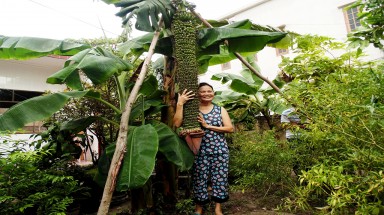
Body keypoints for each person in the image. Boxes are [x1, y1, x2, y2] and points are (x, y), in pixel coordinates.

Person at [173, 82, 234, 215]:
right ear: (198, 94)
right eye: (203, 91)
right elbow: (177, 123)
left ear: (213, 93)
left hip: (220, 151)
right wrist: (180, 103)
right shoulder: (192, 110)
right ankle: (199, 208)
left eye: (209, 91)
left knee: (220, 179)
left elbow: (230, 128)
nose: (207, 93)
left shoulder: (220, 110)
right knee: (199, 179)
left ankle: (218, 208)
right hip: (199, 152)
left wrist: (208, 126)